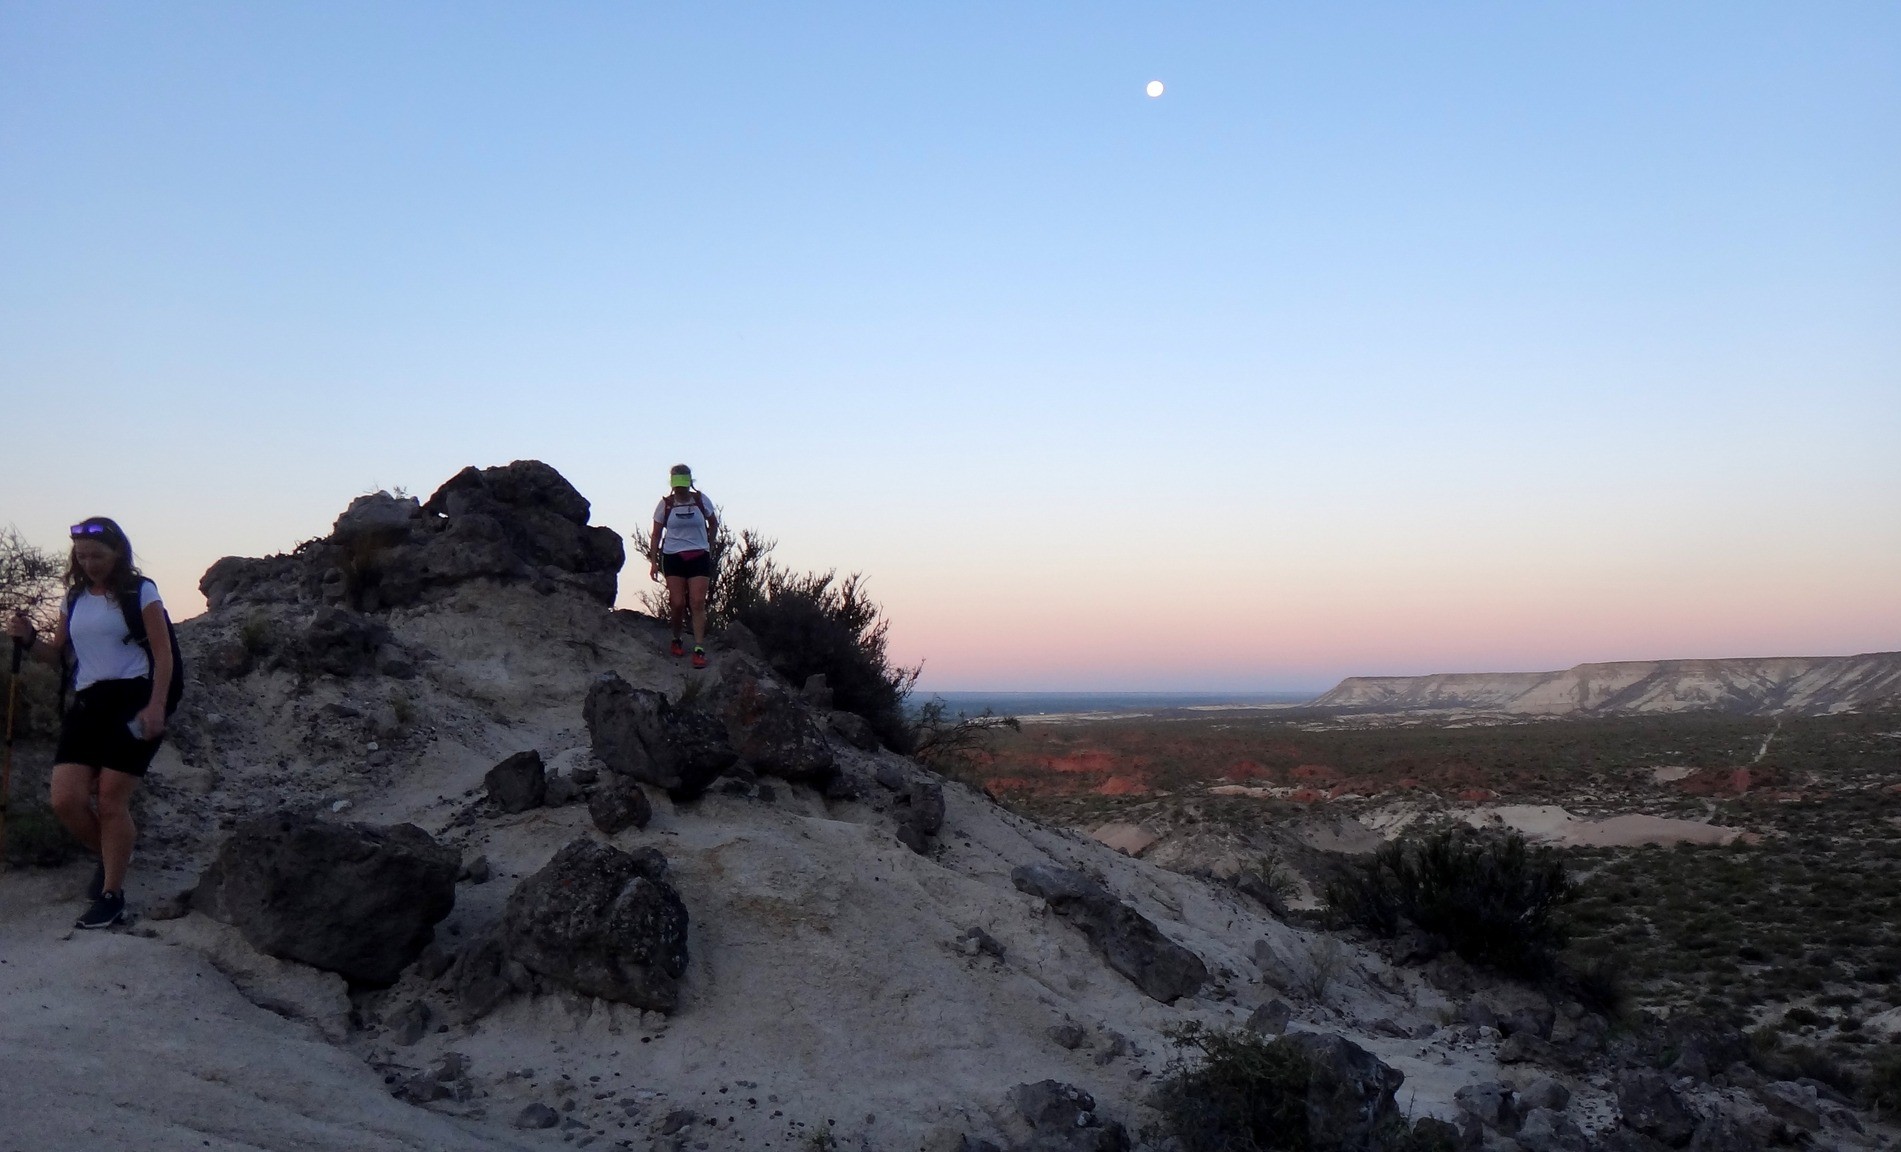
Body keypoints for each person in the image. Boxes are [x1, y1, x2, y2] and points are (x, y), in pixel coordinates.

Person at [6, 517, 175, 929]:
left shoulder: (141, 591)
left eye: (97, 555)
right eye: (82, 556)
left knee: (111, 798)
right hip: (88, 703)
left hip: (133, 699)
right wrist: (29, 639)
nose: (89, 563)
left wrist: (156, 707)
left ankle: (112, 895)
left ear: (118, 552)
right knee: (65, 799)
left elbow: (164, 654)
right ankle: (111, 854)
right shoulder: (76, 596)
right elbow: (57, 655)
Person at [648, 465, 719, 670]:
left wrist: (709, 544)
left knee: (697, 602)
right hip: (673, 556)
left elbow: (713, 523)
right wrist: (654, 561)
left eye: (683, 486)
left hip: (699, 555)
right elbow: (656, 534)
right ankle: (676, 637)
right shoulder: (665, 505)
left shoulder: (701, 501)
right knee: (677, 603)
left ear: (689, 483)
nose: (681, 490)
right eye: (677, 487)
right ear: (672, 485)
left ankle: (699, 648)